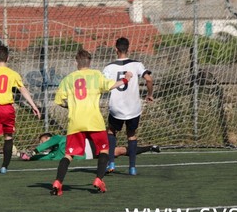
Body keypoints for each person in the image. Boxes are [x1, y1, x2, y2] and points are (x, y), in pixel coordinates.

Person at [51, 49, 133, 195]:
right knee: (104, 150)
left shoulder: (68, 79)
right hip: (94, 121)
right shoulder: (96, 75)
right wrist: (126, 78)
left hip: (76, 122)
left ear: (76, 62)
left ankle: (58, 182)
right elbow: (112, 85)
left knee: (68, 155)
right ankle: (99, 179)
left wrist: (70, 105)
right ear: (90, 62)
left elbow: (58, 101)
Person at [0, 45, 40, 174]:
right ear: (8, 58)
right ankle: (4, 166)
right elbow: (23, 89)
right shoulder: (13, 74)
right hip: (7, 109)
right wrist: (33, 106)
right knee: (8, 137)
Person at [102, 37, 153, 176]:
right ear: (128, 48)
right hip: (133, 108)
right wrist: (150, 94)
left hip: (116, 108)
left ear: (116, 49)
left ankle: (111, 162)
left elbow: (103, 85)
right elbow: (148, 79)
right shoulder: (137, 64)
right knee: (131, 135)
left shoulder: (109, 67)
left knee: (111, 131)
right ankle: (132, 168)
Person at [20, 132, 160, 161]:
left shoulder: (60, 139)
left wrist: (33, 152)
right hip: (89, 155)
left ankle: (150, 147)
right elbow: (46, 158)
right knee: (120, 151)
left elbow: (50, 142)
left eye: (45, 140)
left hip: (89, 142)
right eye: (42, 142)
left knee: (117, 148)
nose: (44, 142)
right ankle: (150, 147)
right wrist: (31, 158)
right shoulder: (54, 154)